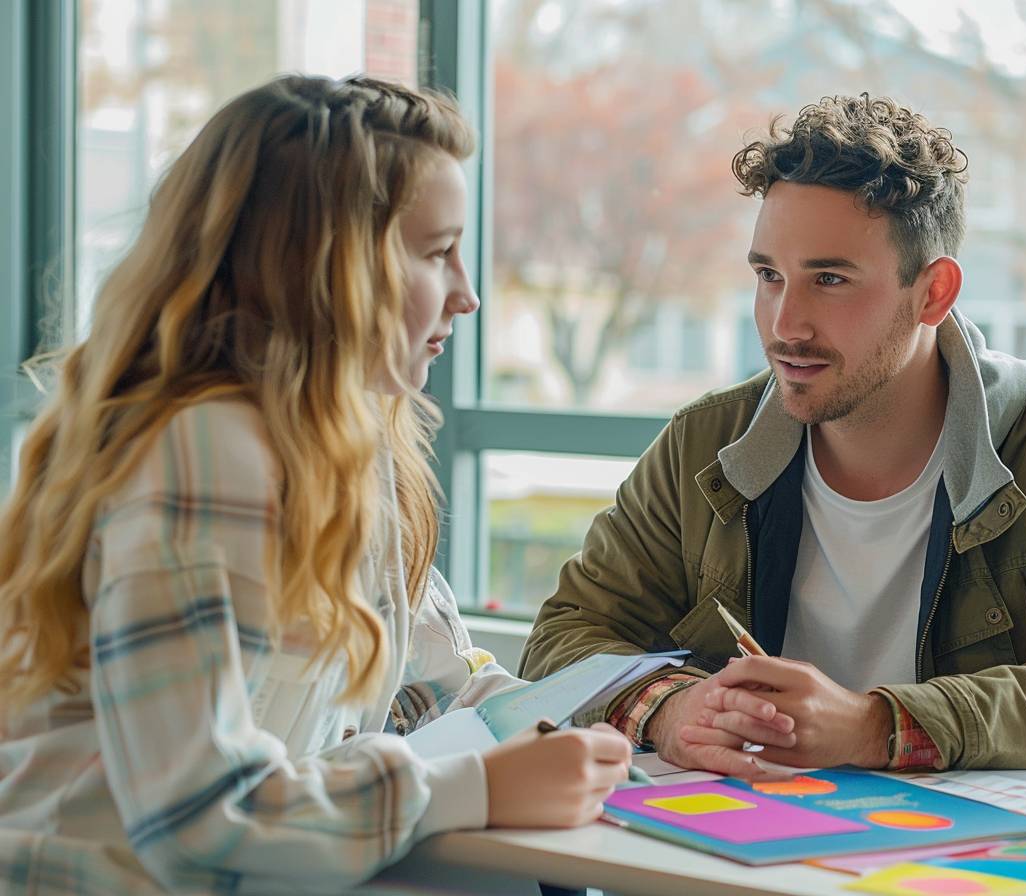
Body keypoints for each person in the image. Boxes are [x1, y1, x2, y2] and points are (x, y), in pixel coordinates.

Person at [0, 75, 631, 895]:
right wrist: (478, 787)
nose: (469, 295)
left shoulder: (350, 446)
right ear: (325, 270)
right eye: (438, 253)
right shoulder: (204, 449)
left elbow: (437, 685)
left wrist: (624, 728)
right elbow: (199, 822)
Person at [520, 93, 1026, 777]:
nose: (785, 324)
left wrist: (880, 728)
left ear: (934, 294)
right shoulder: (703, 441)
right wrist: (670, 708)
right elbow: (562, 640)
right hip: (742, 853)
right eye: (769, 276)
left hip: (963, 870)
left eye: (829, 279)